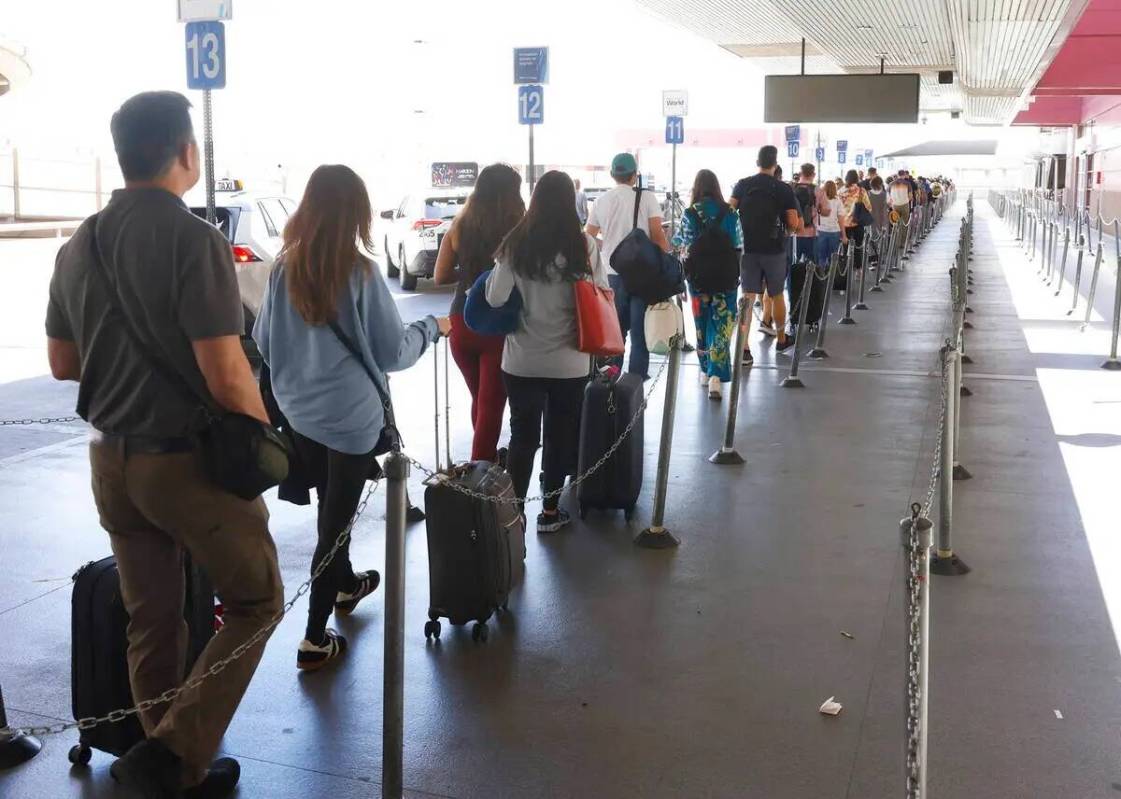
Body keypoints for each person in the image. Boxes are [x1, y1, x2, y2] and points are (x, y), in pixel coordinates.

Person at [45, 90, 283, 797]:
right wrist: (267, 433)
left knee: (151, 614)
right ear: (187, 152)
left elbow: (62, 361)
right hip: (182, 463)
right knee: (255, 599)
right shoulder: (194, 240)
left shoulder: (78, 242)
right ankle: (175, 748)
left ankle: (168, 762)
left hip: (109, 459)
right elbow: (223, 368)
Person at [254, 165, 448, 670]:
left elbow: (262, 342)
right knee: (334, 524)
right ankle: (315, 639)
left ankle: (344, 587)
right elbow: (392, 351)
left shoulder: (284, 267)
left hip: (298, 413)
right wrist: (433, 326)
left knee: (330, 510)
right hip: (350, 421)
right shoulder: (358, 272)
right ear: (357, 214)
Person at [487, 170, 606, 533]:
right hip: (570, 362)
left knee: (523, 437)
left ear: (535, 200)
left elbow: (494, 297)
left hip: (522, 360)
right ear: (570, 202)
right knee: (559, 436)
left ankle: (514, 517)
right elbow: (600, 293)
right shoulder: (583, 246)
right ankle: (550, 514)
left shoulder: (515, 243)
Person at [434, 163, 524, 462]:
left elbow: (440, 275)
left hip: (460, 323)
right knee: (491, 404)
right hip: (497, 326)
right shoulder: (518, 229)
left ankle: (484, 464)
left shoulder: (459, 226)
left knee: (481, 400)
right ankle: (480, 476)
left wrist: (469, 273)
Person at [585, 153, 669, 379]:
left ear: (613, 175)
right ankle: (635, 386)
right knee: (640, 335)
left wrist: (608, 246)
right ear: (634, 176)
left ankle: (611, 382)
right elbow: (657, 236)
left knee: (616, 333)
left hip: (611, 274)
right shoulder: (647, 198)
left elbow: (588, 237)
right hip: (642, 275)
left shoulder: (601, 201)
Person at [672, 169, 743, 400]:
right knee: (722, 324)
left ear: (697, 188)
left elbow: (680, 244)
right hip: (726, 278)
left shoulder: (691, 213)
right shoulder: (730, 212)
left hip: (698, 280)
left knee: (701, 323)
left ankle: (705, 369)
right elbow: (739, 244)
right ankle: (716, 376)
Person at [730, 145, 802, 360]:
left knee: (748, 298)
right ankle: (781, 340)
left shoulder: (743, 185)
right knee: (777, 294)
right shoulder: (783, 189)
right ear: (775, 164)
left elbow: (729, 211)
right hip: (774, 250)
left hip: (748, 249)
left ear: (757, 162)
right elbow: (793, 222)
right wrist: (788, 231)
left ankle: (743, 350)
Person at [839, 169, 872, 274]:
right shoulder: (861, 191)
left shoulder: (840, 191)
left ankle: (845, 269)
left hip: (843, 223)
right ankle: (858, 269)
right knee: (858, 246)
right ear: (857, 179)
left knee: (845, 246)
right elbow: (869, 207)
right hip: (858, 221)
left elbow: (837, 207)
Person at [816, 180, 845, 266]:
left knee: (821, 257)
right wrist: (844, 235)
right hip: (834, 231)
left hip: (821, 230)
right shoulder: (838, 201)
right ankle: (832, 277)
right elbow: (841, 219)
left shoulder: (819, 201)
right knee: (833, 257)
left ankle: (821, 276)